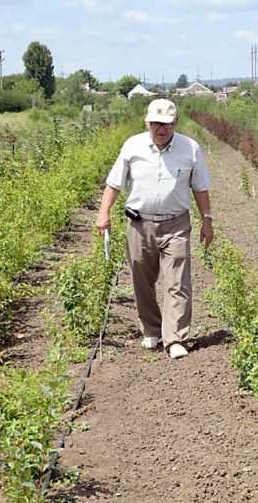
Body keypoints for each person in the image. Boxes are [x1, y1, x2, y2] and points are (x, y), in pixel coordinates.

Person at [96, 98, 214, 359]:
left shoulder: (190, 148)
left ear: (176, 123)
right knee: (141, 277)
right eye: (156, 124)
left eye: (167, 125)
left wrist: (207, 219)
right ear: (147, 122)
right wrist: (104, 213)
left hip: (176, 223)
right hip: (140, 224)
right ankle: (152, 330)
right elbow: (114, 183)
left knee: (178, 280)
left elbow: (200, 187)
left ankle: (175, 338)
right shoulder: (133, 146)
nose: (161, 129)